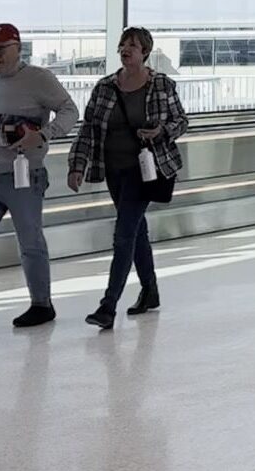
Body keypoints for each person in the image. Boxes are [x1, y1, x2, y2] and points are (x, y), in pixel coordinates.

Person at [68, 27, 187, 331]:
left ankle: (108, 305)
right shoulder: (105, 87)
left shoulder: (160, 84)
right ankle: (150, 290)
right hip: (114, 170)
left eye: (133, 45)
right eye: (123, 44)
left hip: (145, 170)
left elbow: (181, 121)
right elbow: (89, 129)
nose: (126, 49)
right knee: (136, 231)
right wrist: (77, 166)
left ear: (145, 51)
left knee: (124, 234)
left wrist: (161, 131)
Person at [0, 23, 79, 328]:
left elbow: (70, 110)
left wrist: (44, 135)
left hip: (24, 175)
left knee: (30, 240)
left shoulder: (38, 79)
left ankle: (41, 304)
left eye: (2, 49)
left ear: (18, 48)